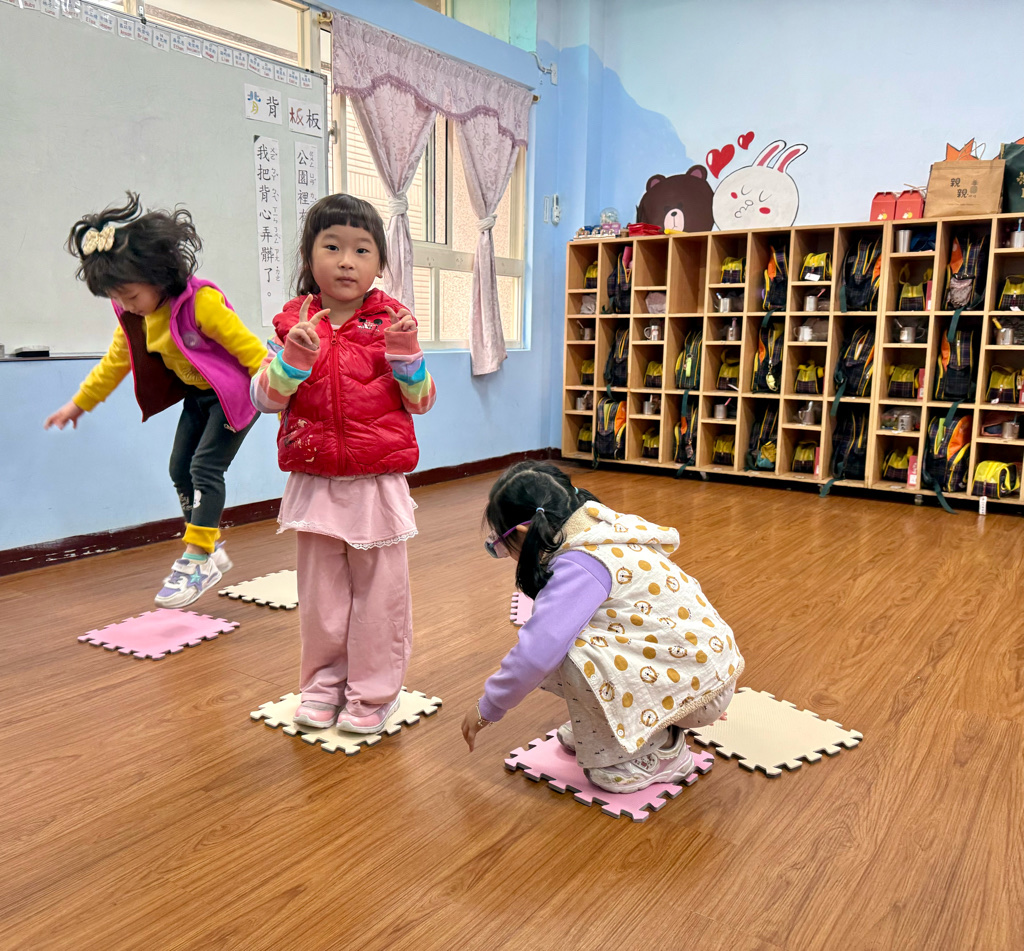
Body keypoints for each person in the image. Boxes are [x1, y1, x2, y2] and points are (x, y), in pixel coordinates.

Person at [251, 194, 436, 735]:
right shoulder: (293, 326)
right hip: (315, 484)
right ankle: (321, 688)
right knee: (322, 602)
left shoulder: (392, 324)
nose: (346, 261)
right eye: (332, 247)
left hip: (376, 485)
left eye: (361, 250)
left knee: (380, 601)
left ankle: (374, 694)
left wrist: (406, 356)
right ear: (310, 257)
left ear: (380, 264)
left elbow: (422, 402)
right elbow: (263, 399)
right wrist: (292, 360)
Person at [462, 461, 744, 793]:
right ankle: (611, 728)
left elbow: (536, 655)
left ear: (522, 534)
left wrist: (488, 708)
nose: (503, 553)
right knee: (572, 637)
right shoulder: (599, 527)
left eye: (500, 545)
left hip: (699, 691)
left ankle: (662, 751)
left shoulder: (579, 563)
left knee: (570, 651)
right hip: (707, 671)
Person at [45, 192, 265, 606]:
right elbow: (115, 363)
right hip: (199, 398)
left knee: (205, 468)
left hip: (235, 396)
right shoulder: (136, 318)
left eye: (130, 296)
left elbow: (251, 352)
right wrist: (79, 404)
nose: (125, 306)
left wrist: (281, 394)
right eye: (117, 298)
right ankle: (209, 546)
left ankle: (197, 557)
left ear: (159, 275)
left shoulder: (201, 303)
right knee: (178, 468)